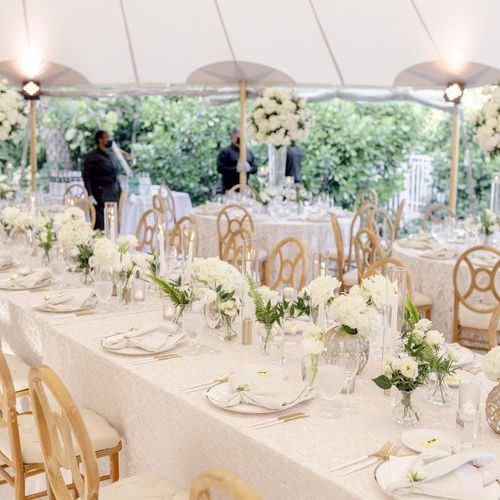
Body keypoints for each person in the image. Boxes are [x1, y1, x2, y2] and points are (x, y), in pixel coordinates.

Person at [83, 130, 122, 230]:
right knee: (101, 225)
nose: (109, 140)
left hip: (113, 195)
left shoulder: (110, 155)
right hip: (100, 196)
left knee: (111, 225)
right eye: (107, 137)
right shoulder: (92, 156)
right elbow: (86, 176)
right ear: (100, 140)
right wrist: (90, 194)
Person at [216, 127, 258, 192]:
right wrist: (236, 169)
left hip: (244, 189)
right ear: (233, 136)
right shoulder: (225, 151)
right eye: (239, 137)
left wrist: (249, 169)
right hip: (229, 189)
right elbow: (220, 169)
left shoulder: (249, 152)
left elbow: (255, 168)